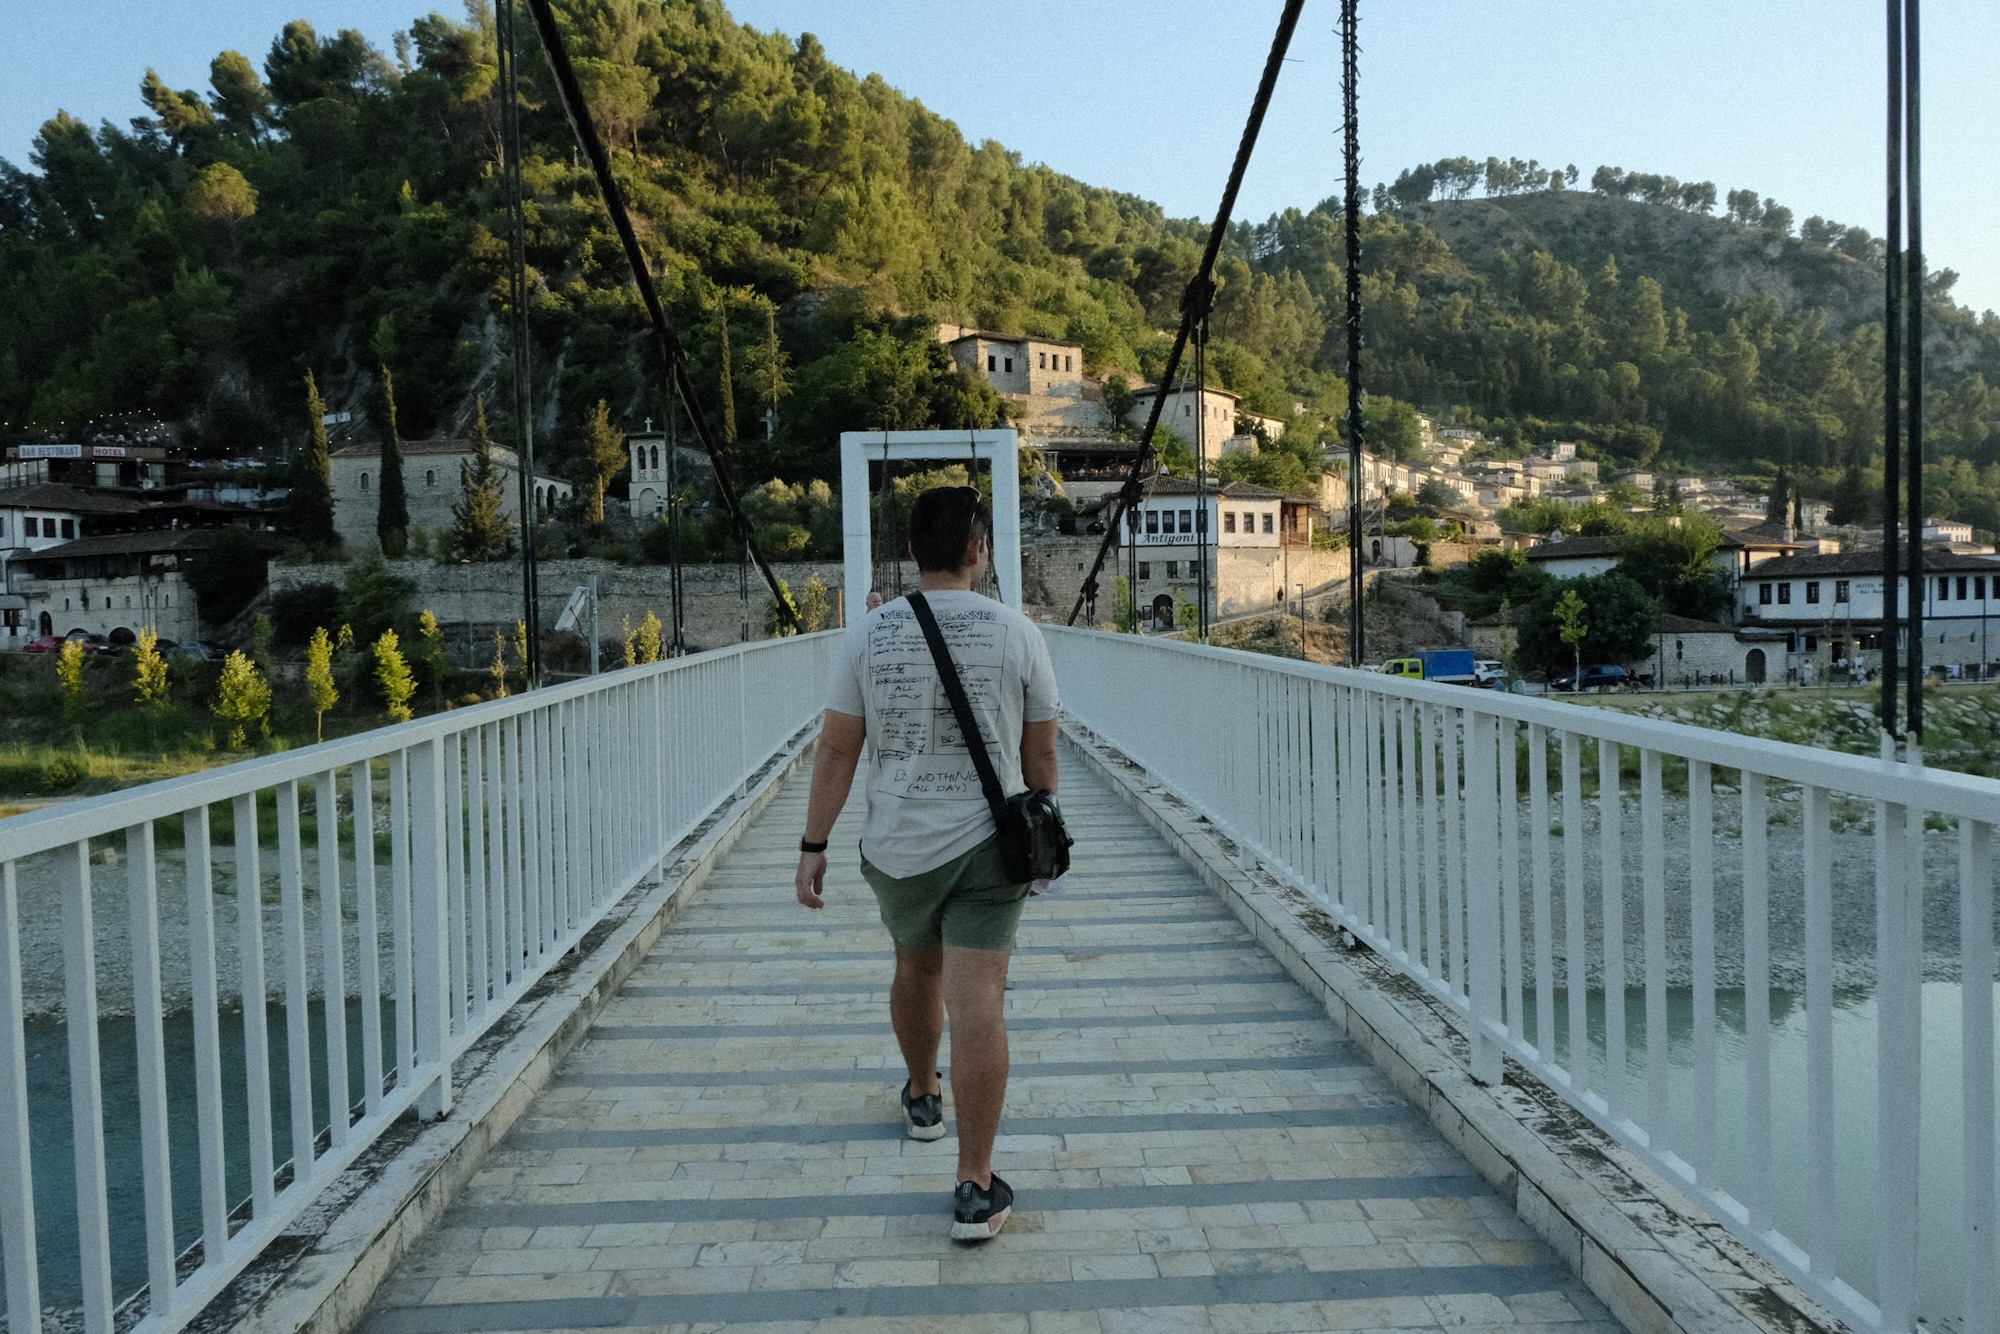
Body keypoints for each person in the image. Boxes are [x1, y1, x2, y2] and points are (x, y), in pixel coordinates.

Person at [794, 486, 1059, 1242]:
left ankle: (921, 1096)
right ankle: (975, 1186)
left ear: (911, 551)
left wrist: (813, 845)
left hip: (900, 845)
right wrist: (1043, 834)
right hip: (989, 847)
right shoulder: (1019, 634)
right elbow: (1041, 753)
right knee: (978, 1003)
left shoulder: (868, 634)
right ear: (979, 551)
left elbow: (837, 749)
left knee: (914, 965)